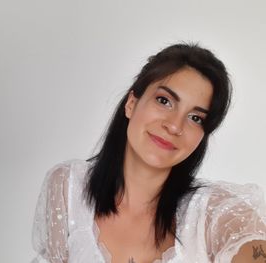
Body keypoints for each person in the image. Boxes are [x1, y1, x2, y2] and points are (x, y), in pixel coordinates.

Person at [31, 43, 266, 263]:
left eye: (195, 118)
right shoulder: (68, 186)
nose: (174, 126)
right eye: (164, 101)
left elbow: (252, 243)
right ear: (132, 103)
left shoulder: (211, 212)